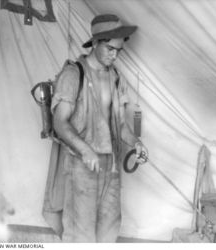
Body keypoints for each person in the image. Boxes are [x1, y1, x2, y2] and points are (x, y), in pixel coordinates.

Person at [42, 14, 147, 243]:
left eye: (119, 51)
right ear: (96, 42)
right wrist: (85, 149)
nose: (114, 55)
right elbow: (60, 123)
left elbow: (120, 124)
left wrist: (136, 143)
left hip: (110, 165)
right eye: (110, 48)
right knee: (81, 232)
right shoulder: (73, 74)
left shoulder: (116, 77)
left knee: (109, 227)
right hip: (81, 165)